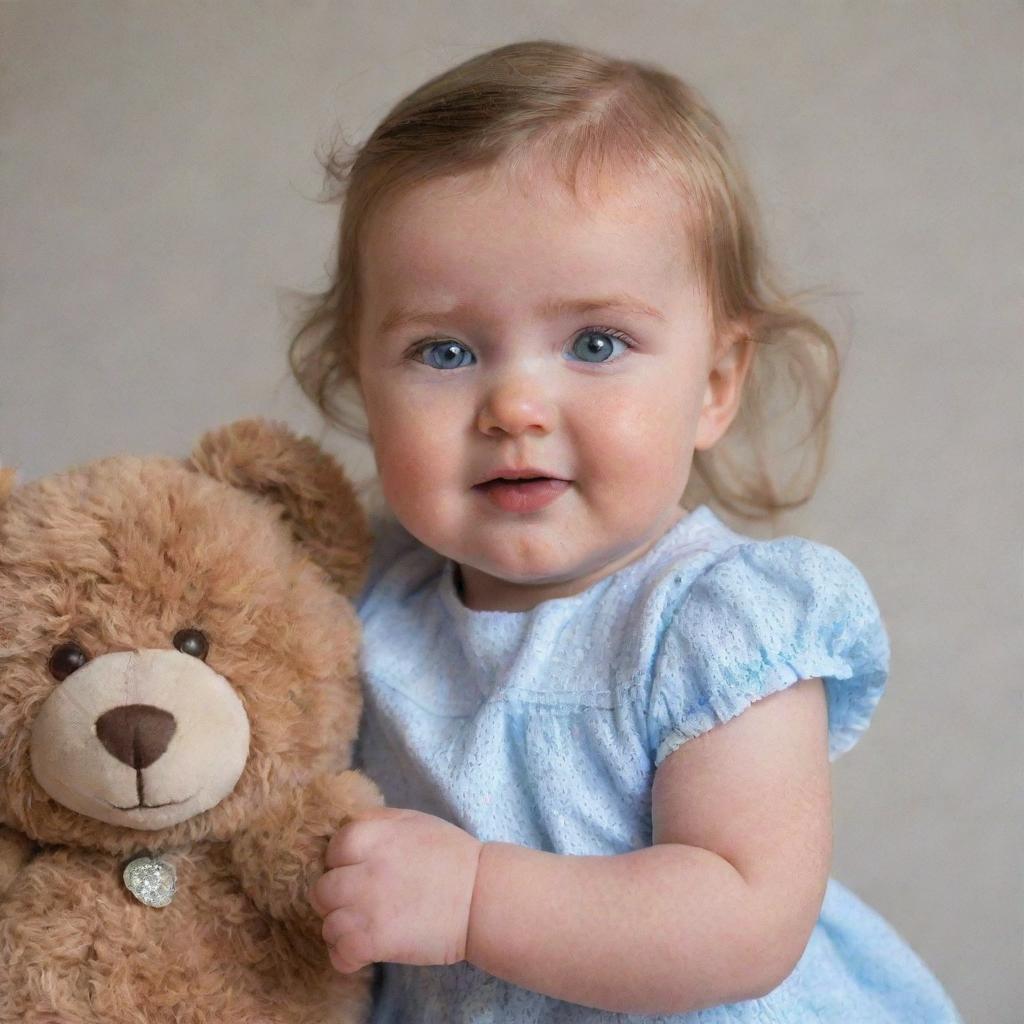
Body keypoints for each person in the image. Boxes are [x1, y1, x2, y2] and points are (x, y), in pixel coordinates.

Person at [296, 39, 963, 1023]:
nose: (515, 404)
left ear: (715, 383)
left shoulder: (714, 627)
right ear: (360, 379)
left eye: (596, 343)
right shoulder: (364, 601)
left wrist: (474, 897)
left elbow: (742, 918)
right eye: (443, 350)